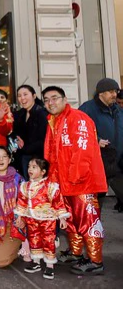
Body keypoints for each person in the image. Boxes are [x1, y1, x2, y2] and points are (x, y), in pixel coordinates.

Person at [42, 86, 107, 275]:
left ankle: (96, 261)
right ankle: (75, 253)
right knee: (70, 220)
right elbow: (52, 156)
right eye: (46, 100)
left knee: (88, 220)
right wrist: (54, 181)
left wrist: (73, 179)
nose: (50, 103)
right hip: (64, 183)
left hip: (81, 183)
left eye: (54, 98)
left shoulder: (78, 119)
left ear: (64, 99)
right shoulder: (54, 121)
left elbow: (83, 153)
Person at [14, 158, 70, 280]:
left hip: (48, 219)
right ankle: (36, 262)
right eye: (29, 166)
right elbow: (22, 203)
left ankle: (50, 265)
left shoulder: (50, 187)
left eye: (34, 167)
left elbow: (58, 203)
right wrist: (20, 216)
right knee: (34, 239)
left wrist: (62, 218)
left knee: (48, 240)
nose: (30, 169)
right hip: (31, 219)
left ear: (43, 171)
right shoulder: (25, 186)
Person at [78, 77, 123, 209]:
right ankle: (94, 228)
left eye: (115, 91)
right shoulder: (87, 109)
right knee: (96, 203)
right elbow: (78, 131)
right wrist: (96, 140)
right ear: (101, 93)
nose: (114, 94)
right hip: (99, 163)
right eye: (110, 92)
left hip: (118, 162)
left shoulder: (118, 110)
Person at [12, 84, 48, 180]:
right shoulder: (20, 114)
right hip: (23, 158)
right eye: (19, 96)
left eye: (25, 94)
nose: (22, 98)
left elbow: (43, 140)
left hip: (37, 160)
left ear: (34, 96)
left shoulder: (42, 113)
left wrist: (24, 148)